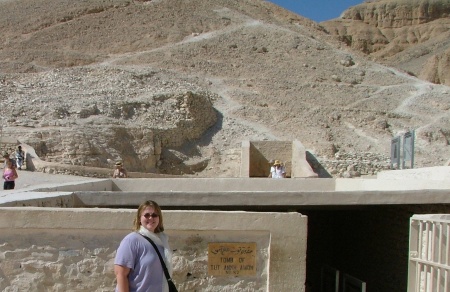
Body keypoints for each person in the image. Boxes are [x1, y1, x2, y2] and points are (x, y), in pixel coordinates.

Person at [114, 200, 173, 292]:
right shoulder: (131, 240)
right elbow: (120, 274)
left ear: (159, 218)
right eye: (146, 215)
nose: (151, 218)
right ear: (139, 219)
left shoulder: (162, 242)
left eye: (154, 215)